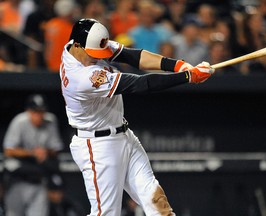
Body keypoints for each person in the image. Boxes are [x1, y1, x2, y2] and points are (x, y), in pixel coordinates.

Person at [60, 18, 215, 215]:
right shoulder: (80, 77)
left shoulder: (78, 45)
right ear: (77, 45)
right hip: (97, 146)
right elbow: (140, 84)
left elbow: (133, 56)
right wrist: (188, 77)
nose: (96, 58)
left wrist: (177, 65)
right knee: (106, 213)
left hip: (123, 135)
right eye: (92, 54)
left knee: (157, 203)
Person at [3, 94, 63, 216]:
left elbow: (56, 148)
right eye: (35, 112)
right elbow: (8, 150)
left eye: (41, 111)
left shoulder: (50, 120)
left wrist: (45, 151)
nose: (39, 115)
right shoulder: (20, 121)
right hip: (17, 179)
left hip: (39, 180)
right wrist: (32, 153)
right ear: (29, 111)